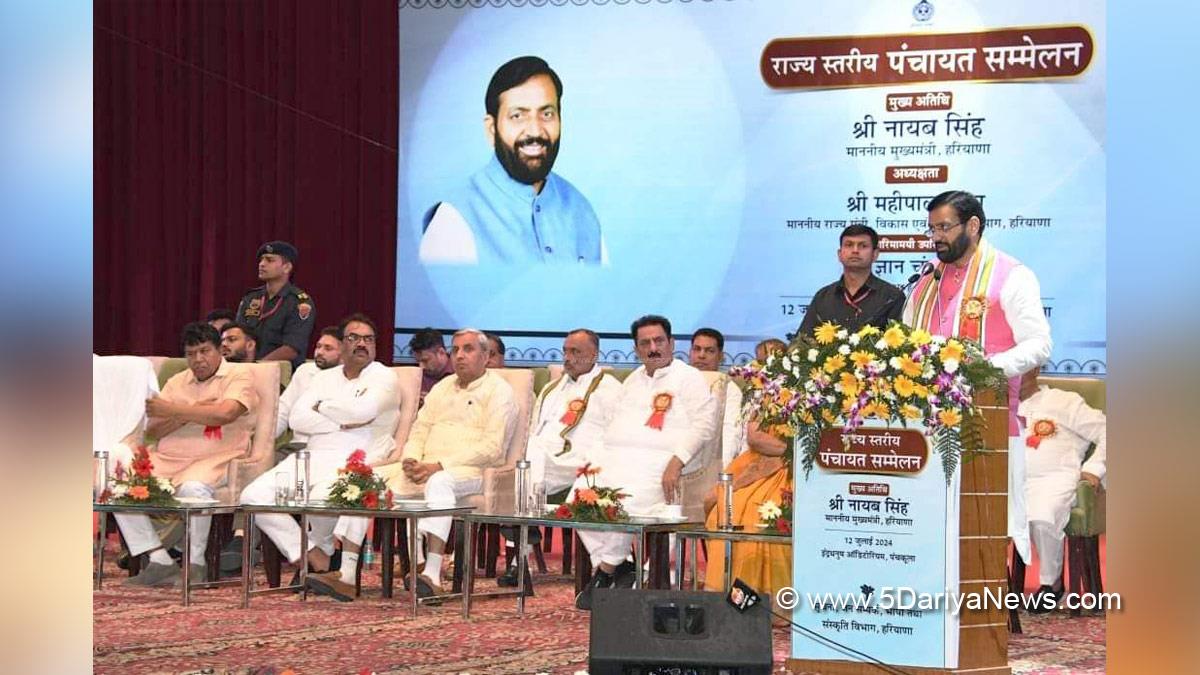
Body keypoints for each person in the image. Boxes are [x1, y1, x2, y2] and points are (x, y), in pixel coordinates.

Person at [903, 190, 1052, 562]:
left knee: (982, 530)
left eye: (944, 227)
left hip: (989, 423)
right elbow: (904, 345)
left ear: (973, 225)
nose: (936, 237)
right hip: (924, 429)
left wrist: (981, 369)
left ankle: (980, 609)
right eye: (931, 229)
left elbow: (1038, 345)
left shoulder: (1012, 276)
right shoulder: (925, 282)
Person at [239, 314, 400, 602]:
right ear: (342, 344)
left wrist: (323, 408)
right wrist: (342, 419)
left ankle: (325, 557)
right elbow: (299, 419)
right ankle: (313, 557)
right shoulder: (323, 377)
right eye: (354, 338)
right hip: (312, 454)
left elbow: (361, 414)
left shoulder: (384, 376)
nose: (362, 344)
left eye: (368, 339)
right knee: (253, 496)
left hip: (359, 457)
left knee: (320, 496)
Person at [574, 315, 718, 610]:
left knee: (625, 501)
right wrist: (593, 462)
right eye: (645, 343)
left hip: (663, 463)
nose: (653, 348)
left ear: (671, 343)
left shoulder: (689, 378)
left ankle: (606, 571)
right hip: (618, 458)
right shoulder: (633, 380)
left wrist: (676, 462)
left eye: (659, 341)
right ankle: (620, 564)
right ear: (637, 349)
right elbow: (613, 424)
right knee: (580, 498)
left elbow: (705, 425)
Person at [376, 329, 519, 600]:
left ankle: (432, 572)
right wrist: (411, 459)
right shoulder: (442, 387)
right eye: (456, 350)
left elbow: (492, 448)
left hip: (474, 471)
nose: (460, 356)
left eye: (468, 349)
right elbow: (420, 429)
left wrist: (439, 466)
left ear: (487, 356)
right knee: (368, 480)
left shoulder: (500, 391)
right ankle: (345, 570)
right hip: (428, 464)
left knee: (439, 482)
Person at [419, 56, 603, 266]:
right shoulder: (453, 221)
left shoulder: (582, 211)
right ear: (492, 129)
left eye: (547, 113)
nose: (535, 130)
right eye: (517, 116)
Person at [114, 322, 258, 586]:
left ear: (219, 351)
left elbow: (225, 413)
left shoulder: (240, 376)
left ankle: (195, 564)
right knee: (119, 486)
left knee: (193, 489)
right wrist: (193, 409)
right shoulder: (177, 381)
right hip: (167, 458)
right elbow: (154, 429)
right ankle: (159, 560)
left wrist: (175, 410)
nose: (198, 360)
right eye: (191, 354)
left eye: (205, 351)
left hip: (215, 458)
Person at [499, 328, 621, 591]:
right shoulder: (553, 388)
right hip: (545, 464)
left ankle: (521, 552)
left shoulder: (610, 388)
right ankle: (520, 555)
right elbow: (534, 429)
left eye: (575, 351)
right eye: (566, 351)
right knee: (527, 454)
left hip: (583, 462)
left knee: (529, 460)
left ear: (594, 354)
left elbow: (616, 434)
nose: (568, 357)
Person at [218, 325, 344, 575]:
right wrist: (259, 444)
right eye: (318, 346)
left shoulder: (350, 380)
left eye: (328, 348)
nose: (319, 352)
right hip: (294, 448)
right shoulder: (305, 372)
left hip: (327, 453)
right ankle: (243, 538)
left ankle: (309, 551)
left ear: (344, 353)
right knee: (256, 464)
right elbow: (283, 412)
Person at [1017, 371, 1106, 612]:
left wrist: (1094, 469)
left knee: (1041, 516)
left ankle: (1051, 584)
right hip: (1008, 483)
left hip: (1053, 480)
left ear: (1035, 370)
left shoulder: (1063, 401)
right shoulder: (995, 405)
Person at [702, 419, 792, 598]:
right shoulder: (767, 393)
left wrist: (801, 453)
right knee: (726, 511)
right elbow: (755, 437)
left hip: (803, 467)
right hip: (765, 458)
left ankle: (773, 607)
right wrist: (792, 450)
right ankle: (736, 602)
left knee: (767, 517)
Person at [795, 224, 904, 340]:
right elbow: (803, 342)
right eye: (849, 245)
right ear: (839, 254)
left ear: (875, 254)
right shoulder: (823, 297)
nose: (855, 251)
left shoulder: (892, 297)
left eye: (863, 246)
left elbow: (899, 345)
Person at [235, 240, 316, 373]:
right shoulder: (251, 298)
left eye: (269, 260)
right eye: (261, 260)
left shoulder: (300, 303)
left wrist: (258, 366)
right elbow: (238, 336)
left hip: (279, 374)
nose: (262, 264)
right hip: (246, 369)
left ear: (286, 267)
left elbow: (291, 349)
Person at [689, 327, 745, 468]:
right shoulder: (677, 381)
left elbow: (730, 433)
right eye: (697, 349)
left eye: (709, 351)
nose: (701, 355)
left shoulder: (728, 389)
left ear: (720, 356)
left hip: (709, 464)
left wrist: (721, 471)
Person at [409, 328, 455, 408]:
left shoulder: (460, 372)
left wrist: (433, 400)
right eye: (418, 361)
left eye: (425, 360)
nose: (421, 366)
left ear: (441, 352)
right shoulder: (414, 376)